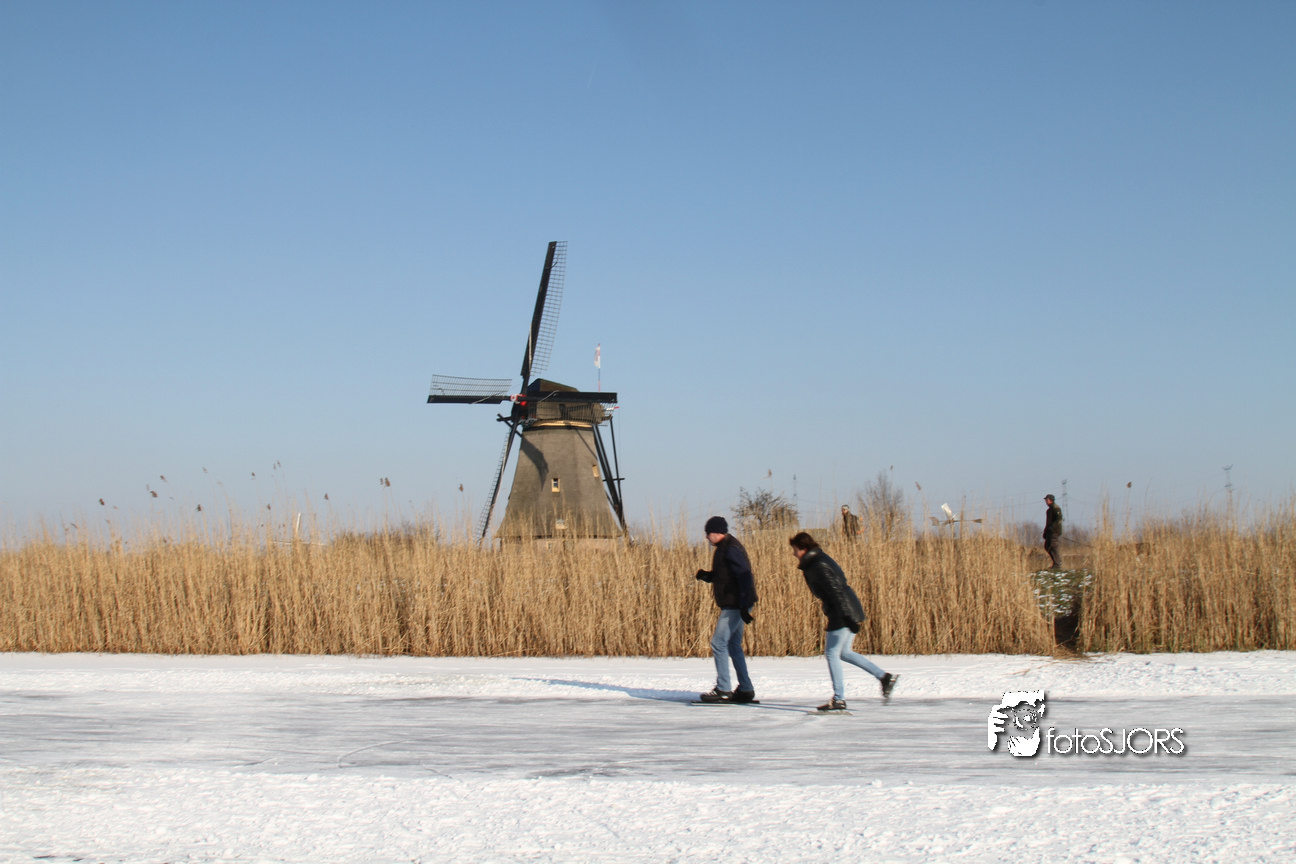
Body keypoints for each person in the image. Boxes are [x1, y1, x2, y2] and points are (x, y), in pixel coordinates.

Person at [788, 531, 897, 710]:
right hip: (846, 609)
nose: (794, 554)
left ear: (804, 549)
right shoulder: (817, 561)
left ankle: (839, 699)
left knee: (832, 653)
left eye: (795, 550)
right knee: (844, 652)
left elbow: (836, 591)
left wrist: (847, 617)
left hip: (841, 612)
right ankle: (884, 678)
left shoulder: (818, 564)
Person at [694, 516, 758, 703]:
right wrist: (708, 576)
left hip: (735, 604)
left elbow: (744, 575)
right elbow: (726, 575)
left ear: (716, 532)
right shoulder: (725, 548)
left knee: (718, 643)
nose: (707, 537)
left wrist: (744, 604)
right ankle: (745, 689)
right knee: (733, 645)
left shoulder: (730, 549)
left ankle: (723, 689)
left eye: (708, 534)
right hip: (737, 603)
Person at [1043, 494, 1063, 569]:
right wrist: (1045, 532)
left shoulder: (1056, 508)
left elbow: (1059, 519)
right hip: (1049, 532)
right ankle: (1055, 562)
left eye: (1046, 500)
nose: (1045, 501)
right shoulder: (1049, 510)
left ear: (1050, 500)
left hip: (1054, 531)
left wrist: (1053, 527)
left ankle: (1057, 564)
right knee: (1047, 546)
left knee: (1054, 546)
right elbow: (1048, 523)